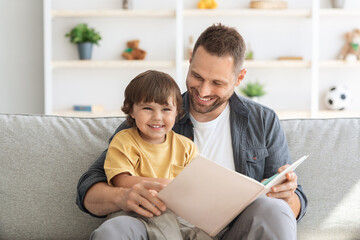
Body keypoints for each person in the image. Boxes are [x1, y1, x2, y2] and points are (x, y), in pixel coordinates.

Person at [77, 23, 307, 240]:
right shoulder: (154, 116)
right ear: (190, 61)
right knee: (115, 229)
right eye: (197, 76)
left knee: (274, 209)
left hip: (232, 231)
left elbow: (297, 204)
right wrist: (123, 197)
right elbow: (88, 189)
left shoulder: (262, 121)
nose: (203, 90)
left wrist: (285, 195)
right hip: (158, 226)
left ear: (239, 78)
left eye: (217, 83)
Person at [98, 70, 206, 239]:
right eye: (148, 108)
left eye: (166, 109)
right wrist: (161, 184)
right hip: (136, 213)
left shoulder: (186, 147)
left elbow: (195, 185)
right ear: (132, 111)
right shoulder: (124, 141)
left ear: (177, 111)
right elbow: (121, 180)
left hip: (176, 217)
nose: (157, 117)